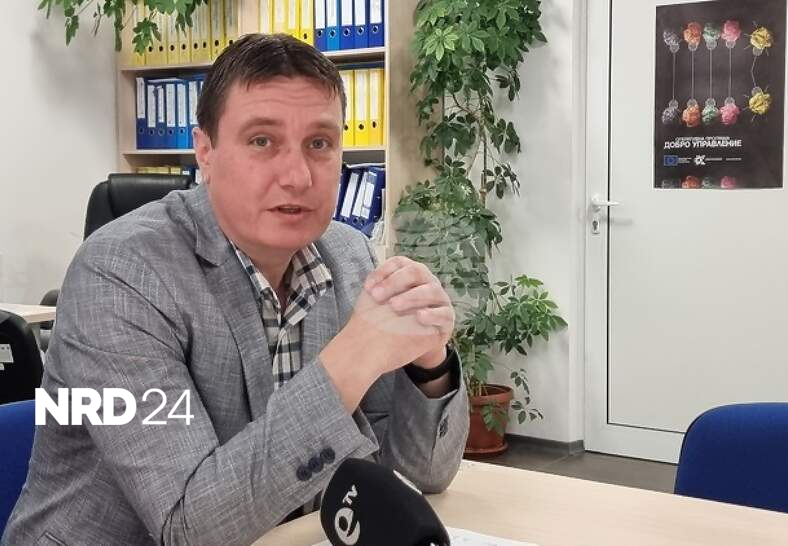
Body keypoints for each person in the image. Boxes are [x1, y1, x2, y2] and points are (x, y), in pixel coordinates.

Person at [3, 33, 468, 546]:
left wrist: (429, 364)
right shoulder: (119, 275)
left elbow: (413, 480)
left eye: (319, 143)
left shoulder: (348, 254)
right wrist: (353, 358)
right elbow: (190, 529)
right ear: (205, 151)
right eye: (262, 141)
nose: (298, 176)